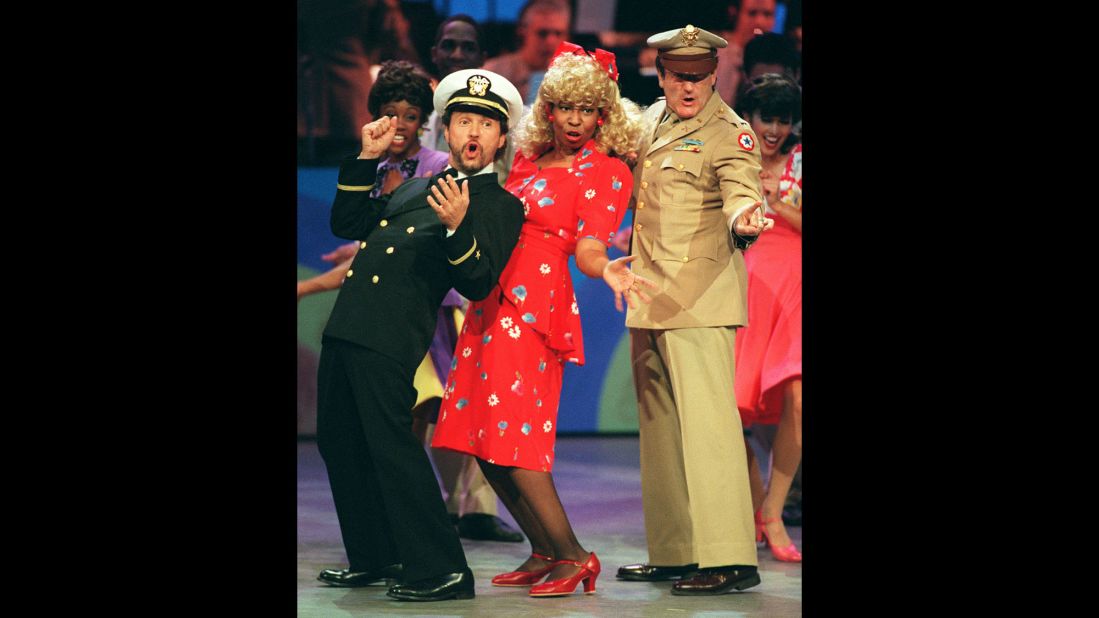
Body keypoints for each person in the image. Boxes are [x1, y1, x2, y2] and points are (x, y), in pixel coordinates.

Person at [431, 42, 653, 599]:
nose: (576, 121)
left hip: (533, 312)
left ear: (604, 115)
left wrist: (606, 270)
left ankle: (576, 555)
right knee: (482, 439)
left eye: (589, 110)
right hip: (489, 301)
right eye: (565, 108)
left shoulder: (606, 172)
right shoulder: (526, 162)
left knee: (516, 440)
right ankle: (544, 549)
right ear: (547, 109)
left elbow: (588, 246)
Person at [314, 68, 526, 602]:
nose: (472, 131)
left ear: (501, 138)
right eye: (462, 120)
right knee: (341, 442)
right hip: (349, 326)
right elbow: (349, 222)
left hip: (391, 334)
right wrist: (366, 159)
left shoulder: (499, 204)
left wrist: (458, 227)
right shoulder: (415, 185)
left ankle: (443, 568)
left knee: (392, 448)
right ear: (448, 132)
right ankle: (375, 556)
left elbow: (477, 283)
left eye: (485, 122)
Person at [615, 24, 773, 596]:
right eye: (679, 77)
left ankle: (731, 556)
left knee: (710, 431)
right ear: (660, 75)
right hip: (648, 294)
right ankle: (678, 551)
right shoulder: (651, 121)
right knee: (660, 433)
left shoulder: (730, 132)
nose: (689, 88)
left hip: (701, 300)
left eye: (700, 78)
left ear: (714, 76)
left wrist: (744, 220)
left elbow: (741, 190)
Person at [733, 73, 802, 563]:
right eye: (766, 118)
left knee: (797, 398)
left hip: (796, 285)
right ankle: (757, 504)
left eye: (783, 119)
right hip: (746, 283)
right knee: (734, 405)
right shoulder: (735, 158)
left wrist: (778, 204)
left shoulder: (801, 162)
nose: (774, 129)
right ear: (750, 118)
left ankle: (775, 510)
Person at [366, 60, 450, 197]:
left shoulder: (441, 165)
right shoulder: (372, 174)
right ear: (378, 117)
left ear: (422, 120)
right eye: (391, 114)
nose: (399, 125)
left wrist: (398, 194)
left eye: (410, 117)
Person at [484, 0, 572, 104]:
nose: (550, 41)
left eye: (558, 33)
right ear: (523, 32)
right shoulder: (494, 72)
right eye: (542, 33)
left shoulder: (572, 76)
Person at [714, 0, 777, 107]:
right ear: (734, 14)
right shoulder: (715, 51)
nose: (759, 22)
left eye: (767, 14)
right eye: (752, 13)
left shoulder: (776, 57)